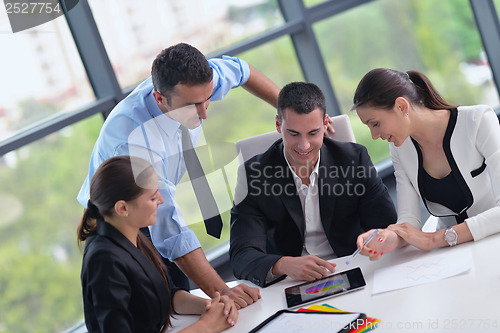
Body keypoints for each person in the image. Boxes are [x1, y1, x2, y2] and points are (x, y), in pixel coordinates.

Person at [77, 42, 281, 307]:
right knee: (160, 306)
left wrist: (289, 112)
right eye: (193, 106)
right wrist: (223, 291)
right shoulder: (135, 140)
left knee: (184, 302)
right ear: (160, 98)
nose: (204, 113)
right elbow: (169, 228)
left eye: (208, 99)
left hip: (153, 203)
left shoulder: (197, 85)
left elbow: (242, 71)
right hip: (122, 218)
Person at [229, 82, 397, 287]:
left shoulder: (354, 159)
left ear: (326, 123)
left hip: (353, 267)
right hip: (290, 283)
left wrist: (376, 238)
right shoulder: (253, 175)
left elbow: (388, 224)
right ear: (277, 124)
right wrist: (283, 264)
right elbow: (241, 256)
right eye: (293, 134)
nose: (304, 145)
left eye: (312, 133)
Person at [78, 156, 238, 333]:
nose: (161, 200)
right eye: (153, 197)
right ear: (123, 208)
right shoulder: (103, 261)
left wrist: (211, 307)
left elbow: (167, 296)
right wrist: (206, 326)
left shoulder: (131, 234)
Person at [353, 68, 500, 259]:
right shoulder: (400, 148)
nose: (374, 136)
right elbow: (409, 220)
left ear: (401, 106)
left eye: (375, 124)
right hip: (451, 257)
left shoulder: (478, 120)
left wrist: (434, 239)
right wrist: (390, 237)